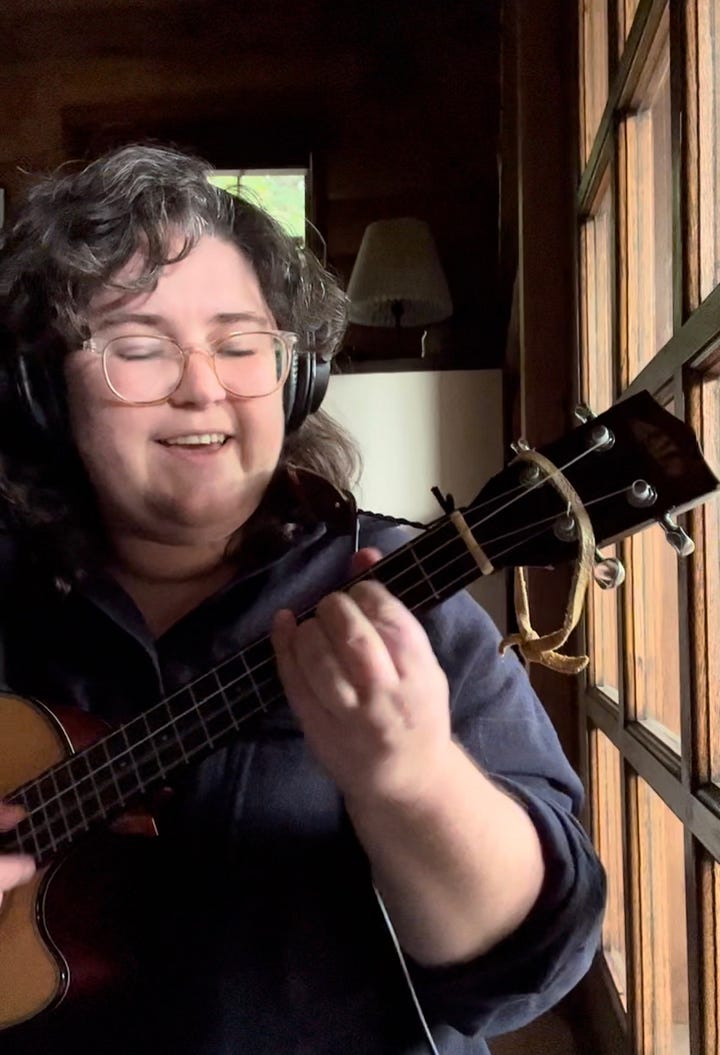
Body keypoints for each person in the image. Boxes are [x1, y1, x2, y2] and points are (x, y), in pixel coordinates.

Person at [0, 144, 605, 1055]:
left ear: (295, 376)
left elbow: (533, 965)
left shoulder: (392, 595)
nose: (204, 386)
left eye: (242, 345)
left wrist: (413, 778)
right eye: (139, 348)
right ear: (46, 389)